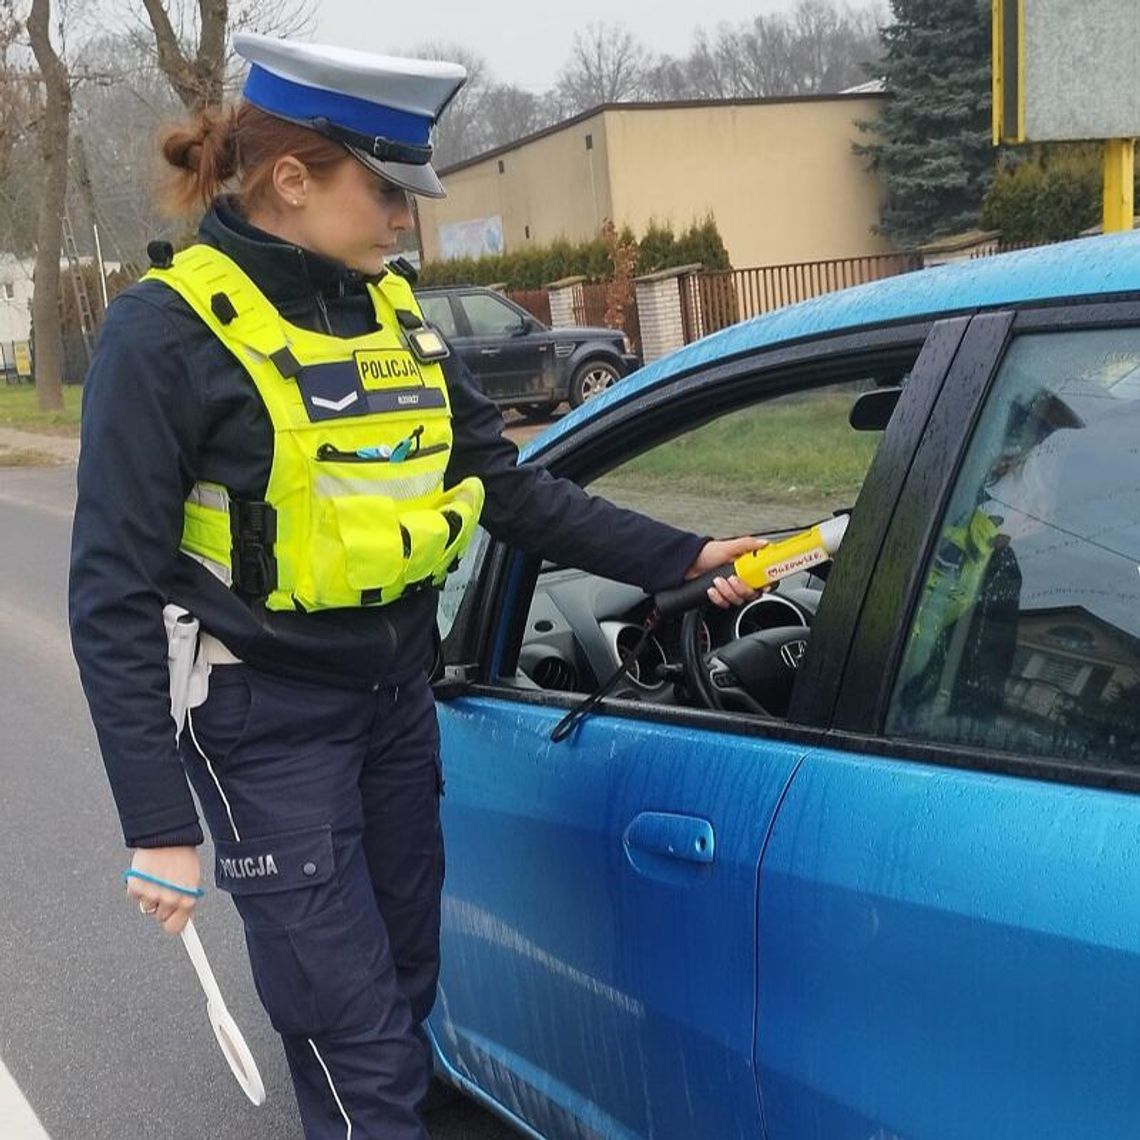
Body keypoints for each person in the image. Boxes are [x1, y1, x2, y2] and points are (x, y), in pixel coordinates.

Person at [68, 33, 760, 1140]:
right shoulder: (166, 332)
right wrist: (156, 822)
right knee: (362, 1049)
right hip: (263, 724)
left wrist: (678, 557)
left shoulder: (395, 314)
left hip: (394, 708)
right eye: (387, 193)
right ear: (293, 179)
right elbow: (109, 592)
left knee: (404, 996)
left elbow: (509, 491)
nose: (405, 222)